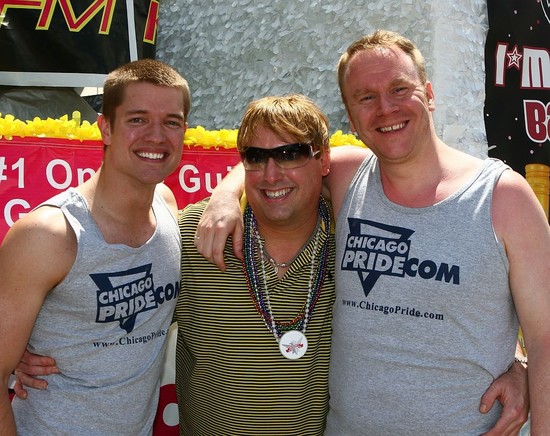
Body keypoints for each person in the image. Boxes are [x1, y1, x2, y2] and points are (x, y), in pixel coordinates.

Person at [13, 91, 529, 436]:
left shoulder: (355, 237)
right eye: (255, 157)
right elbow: (107, 308)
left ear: (323, 160)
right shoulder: (194, 236)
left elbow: (442, 298)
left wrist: (518, 361)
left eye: (290, 153)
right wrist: (22, 348)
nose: (271, 172)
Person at [195, 30, 548, 434]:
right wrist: (225, 194)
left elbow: (545, 337)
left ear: (429, 94)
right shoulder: (347, 175)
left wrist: (518, 362)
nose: (385, 108)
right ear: (350, 116)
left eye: (399, 89)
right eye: (365, 97)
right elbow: (272, 158)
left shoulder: (503, 197)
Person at [0, 58, 190, 435]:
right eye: (138, 119)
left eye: (171, 122)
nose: (156, 136)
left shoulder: (168, 208)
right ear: (105, 127)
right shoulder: (50, 233)